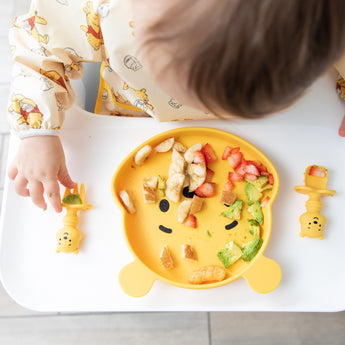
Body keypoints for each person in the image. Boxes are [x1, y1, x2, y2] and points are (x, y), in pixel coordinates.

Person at [7, 0, 345, 212]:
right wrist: (36, 131)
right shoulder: (103, 7)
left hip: (259, 132)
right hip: (134, 109)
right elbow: (37, 48)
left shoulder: (323, 19)